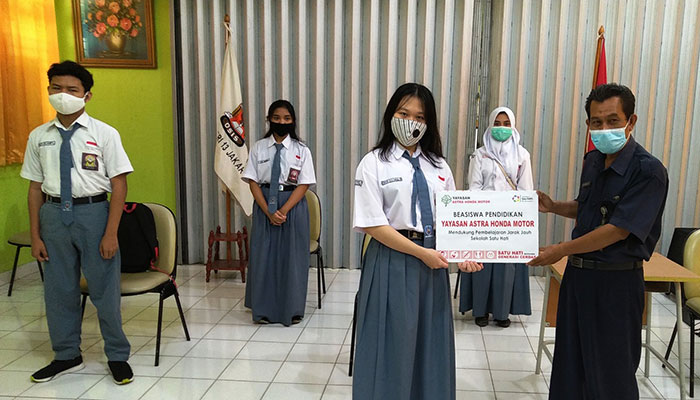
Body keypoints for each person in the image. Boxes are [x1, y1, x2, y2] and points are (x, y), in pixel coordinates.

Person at [528, 83, 669, 399]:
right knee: (570, 368)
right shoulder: (593, 160)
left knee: (611, 375)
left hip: (615, 285)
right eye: (597, 122)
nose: (604, 129)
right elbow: (588, 208)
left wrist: (560, 250)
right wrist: (554, 206)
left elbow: (618, 229)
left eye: (612, 120)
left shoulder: (648, 171)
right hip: (578, 280)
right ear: (588, 124)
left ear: (630, 121)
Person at [352, 82, 482, 400]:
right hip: (391, 260)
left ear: (428, 123)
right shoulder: (374, 162)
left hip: (432, 264)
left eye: (420, 117)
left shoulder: (439, 165)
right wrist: (421, 253)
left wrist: (463, 254)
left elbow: (452, 219)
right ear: (391, 115)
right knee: (390, 342)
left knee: (430, 340)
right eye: (404, 113)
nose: (411, 122)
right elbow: (373, 224)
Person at [20, 61, 134, 384]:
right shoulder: (38, 136)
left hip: (94, 214)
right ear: (48, 91)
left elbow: (120, 185)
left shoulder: (104, 133)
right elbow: (34, 189)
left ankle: (117, 355)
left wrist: (111, 233)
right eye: (57, 88)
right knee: (59, 291)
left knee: (104, 291)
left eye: (72, 89)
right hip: (53, 215)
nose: (63, 95)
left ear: (87, 95)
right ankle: (66, 354)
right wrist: (36, 236)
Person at [242, 100, 316, 326]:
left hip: (292, 206)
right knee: (263, 257)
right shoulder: (259, 147)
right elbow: (252, 181)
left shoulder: (302, 150)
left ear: (293, 121)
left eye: (286, 118)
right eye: (276, 118)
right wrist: (268, 211)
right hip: (264, 204)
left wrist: (283, 210)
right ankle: (263, 310)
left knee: (292, 259)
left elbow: (304, 184)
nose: (281, 122)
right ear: (269, 120)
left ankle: (291, 310)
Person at [459, 106, 533, 327]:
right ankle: (480, 311)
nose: (502, 128)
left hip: (510, 220)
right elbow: (474, 187)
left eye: (506, 124)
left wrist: (516, 213)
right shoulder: (480, 155)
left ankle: (502, 313)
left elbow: (526, 190)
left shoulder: (522, 155)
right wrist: (484, 208)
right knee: (482, 263)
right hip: (484, 219)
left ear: (513, 126)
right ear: (491, 126)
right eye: (497, 124)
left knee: (506, 266)